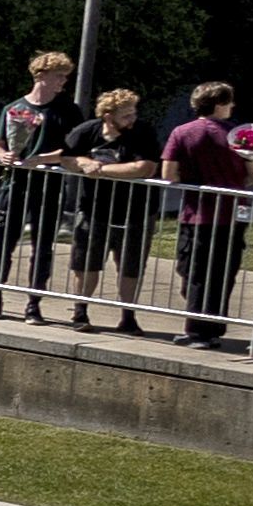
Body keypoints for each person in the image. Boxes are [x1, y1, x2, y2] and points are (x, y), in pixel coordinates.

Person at [0, 49, 82, 318]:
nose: (62, 82)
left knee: (42, 246)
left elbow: (74, 149)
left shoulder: (68, 110)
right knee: (2, 243)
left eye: (65, 77)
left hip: (48, 187)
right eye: (58, 76)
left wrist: (42, 158)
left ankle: (34, 304)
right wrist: (4, 155)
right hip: (14, 185)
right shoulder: (14, 108)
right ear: (40, 75)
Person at [161, 81, 253, 345]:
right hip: (233, 212)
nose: (232, 106)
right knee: (224, 270)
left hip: (197, 212)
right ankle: (213, 325)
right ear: (219, 104)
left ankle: (197, 328)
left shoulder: (182, 132)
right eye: (229, 102)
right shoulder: (243, 133)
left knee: (194, 271)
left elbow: (168, 174)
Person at [67, 85, 166, 333]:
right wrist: (82, 162)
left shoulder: (143, 131)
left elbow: (144, 168)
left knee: (130, 264)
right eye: (126, 115)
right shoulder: (88, 131)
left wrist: (99, 170)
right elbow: (67, 157)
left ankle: (128, 316)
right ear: (108, 116)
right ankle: (80, 311)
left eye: (134, 113)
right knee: (86, 262)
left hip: (136, 210)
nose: (132, 119)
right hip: (94, 209)